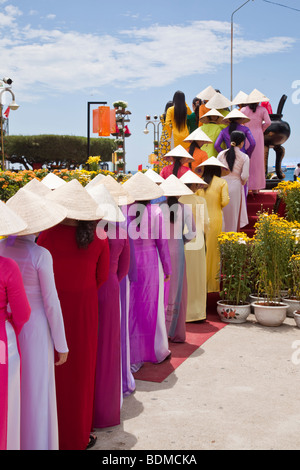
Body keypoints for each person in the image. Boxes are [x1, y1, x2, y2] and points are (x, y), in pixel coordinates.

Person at [37, 179, 110, 450]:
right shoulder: (100, 236)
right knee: (83, 372)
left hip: (52, 309)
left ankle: (53, 432)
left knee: (56, 371)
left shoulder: (47, 234)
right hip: (86, 309)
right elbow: (102, 277)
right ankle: (79, 436)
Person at [1, 188, 69, 451]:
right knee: (37, 391)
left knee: (12, 391)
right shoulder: (41, 254)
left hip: (9, 327)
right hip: (36, 327)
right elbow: (52, 302)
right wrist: (61, 343)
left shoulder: (2, 248)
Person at [86, 184, 130, 430]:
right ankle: (107, 407)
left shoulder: (88, 233)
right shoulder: (121, 234)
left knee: (90, 345)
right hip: (111, 289)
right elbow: (124, 270)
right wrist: (111, 281)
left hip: (90, 288)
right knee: (109, 347)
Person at [122, 172, 172, 370]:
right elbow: (162, 244)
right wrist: (167, 268)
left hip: (130, 262)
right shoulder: (156, 212)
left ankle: (133, 351)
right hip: (151, 262)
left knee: (132, 307)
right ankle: (157, 349)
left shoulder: (124, 211)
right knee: (153, 305)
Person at [0, 202, 31, 451]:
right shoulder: (7, 266)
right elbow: (22, 313)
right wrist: (11, 325)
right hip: (3, 340)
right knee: (5, 402)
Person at [159, 175, 195, 342]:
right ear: (180, 193)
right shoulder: (186, 208)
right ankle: (175, 331)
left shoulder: (158, 208)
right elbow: (192, 233)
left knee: (162, 289)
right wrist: (181, 240)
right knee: (178, 289)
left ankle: (161, 332)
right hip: (178, 250)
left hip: (161, 251)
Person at [195, 157, 230, 293]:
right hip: (215, 219)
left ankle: (199, 283)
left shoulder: (199, 183)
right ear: (218, 169)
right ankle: (212, 286)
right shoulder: (222, 182)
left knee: (200, 251)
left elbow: (195, 200)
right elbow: (224, 202)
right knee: (214, 252)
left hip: (199, 219)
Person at [179, 171, 209, 322]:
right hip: (197, 239)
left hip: (181, 240)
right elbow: (206, 223)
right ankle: (197, 312)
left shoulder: (177, 201)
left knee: (183, 276)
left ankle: (181, 312)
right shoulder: (200, 201)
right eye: (196, 184)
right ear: (192, 185)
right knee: (197, 276)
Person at [217, 130, 250, 232]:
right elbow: (244, 176)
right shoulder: (244, 157)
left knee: (221, 211)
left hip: (221, 185)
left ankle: (220, 236)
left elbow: (217, 171)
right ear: (242, 143)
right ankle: (232, 237)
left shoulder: (221, 154)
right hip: (235, 186)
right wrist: (243, 182)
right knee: (234, 213)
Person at [241, 89, 272, 193]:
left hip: (246, 135)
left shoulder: (243, 110)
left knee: (247, 159)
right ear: (258, 100)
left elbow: (240, 123)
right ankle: (256, 188)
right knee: (258, 161)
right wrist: (261, 129)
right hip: (258, 136)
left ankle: (246, 186)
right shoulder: (263, 110)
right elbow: (268, 122)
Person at [157, 101, 173, 168]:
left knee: (163, 155)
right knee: (171, 154)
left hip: (163, 136)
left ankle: (163, 170)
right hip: (170, 135)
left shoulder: (161, 116)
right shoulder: (172, 116)